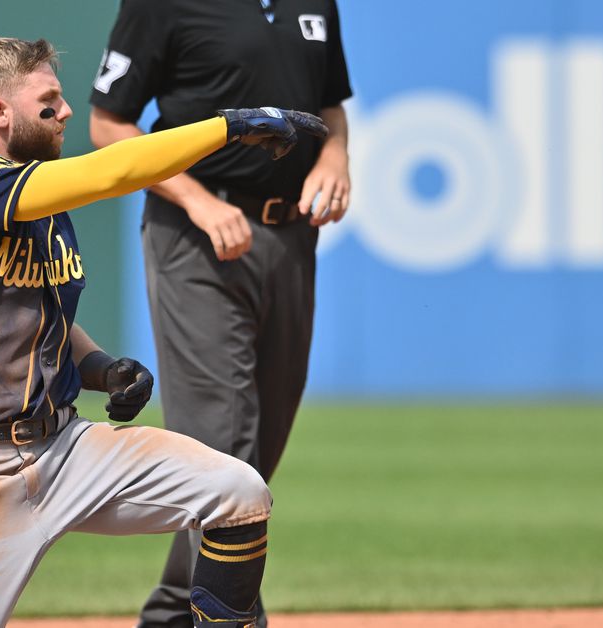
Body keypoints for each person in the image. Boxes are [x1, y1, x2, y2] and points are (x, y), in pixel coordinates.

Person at [0, 36, 327, 627]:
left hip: (65, 449)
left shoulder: (42, 208)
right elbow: (113, 171)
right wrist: (225, 127)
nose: (67, 111)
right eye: (48, 100)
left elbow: (38, 311)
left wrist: (100, 366)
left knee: (239, 493)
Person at [89, 1, 354, 625]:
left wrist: (336, 155)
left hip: (290, 237)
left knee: (258, 451)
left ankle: (173, 614)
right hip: (196, 235)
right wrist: (200, 201)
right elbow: (108, 124)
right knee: (224, 448)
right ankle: (235, 620)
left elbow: (331, 108)